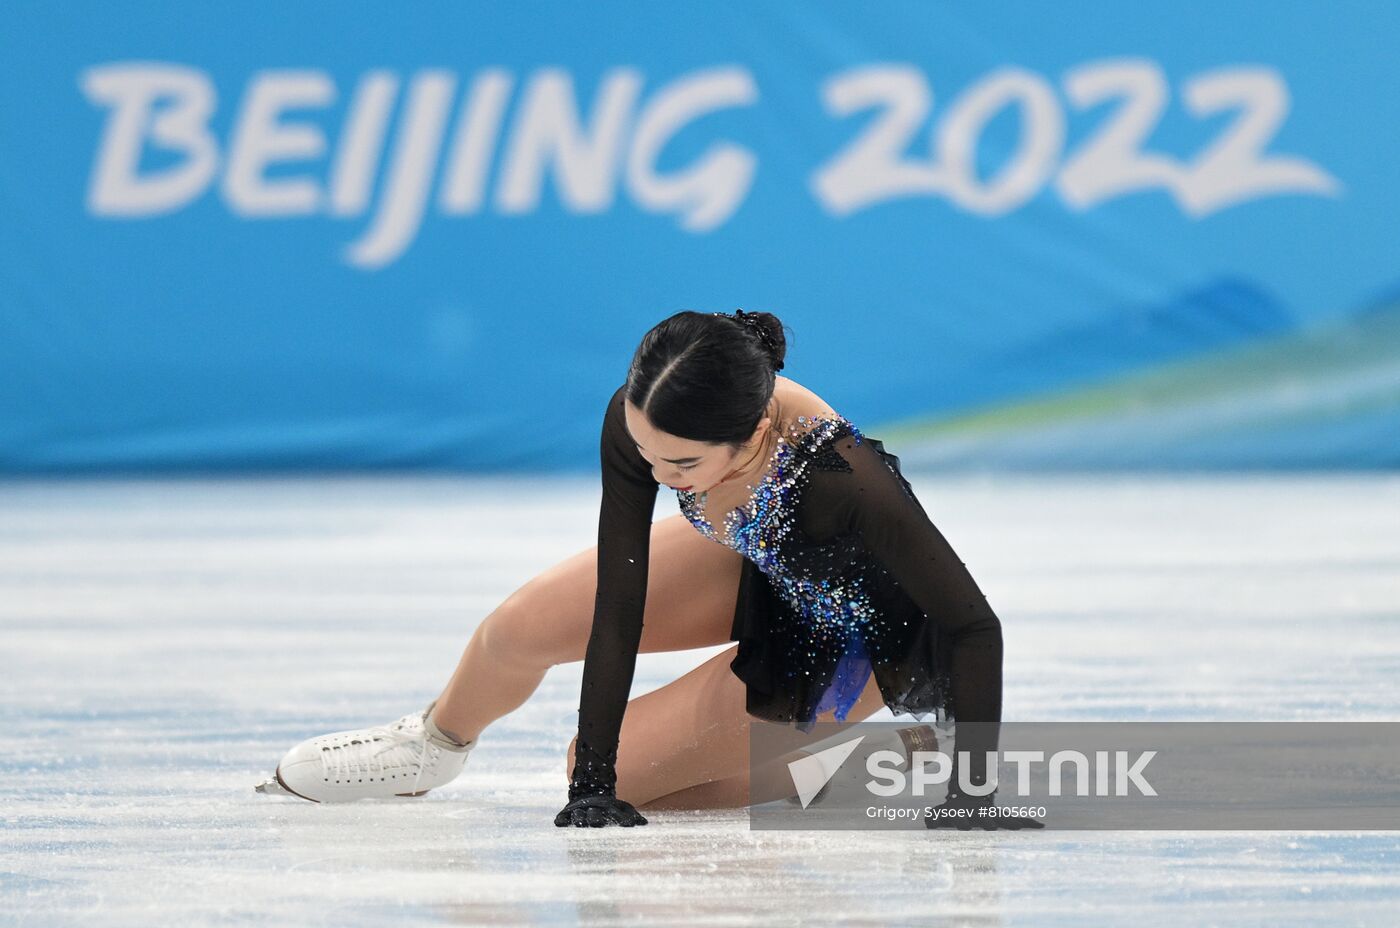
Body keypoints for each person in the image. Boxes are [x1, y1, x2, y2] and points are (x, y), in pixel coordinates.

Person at [255, 309, 1042, 831]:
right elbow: (619, 600)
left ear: (757, 433)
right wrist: (587, 784)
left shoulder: (847, 482)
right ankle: (432, 744)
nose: (657, 472)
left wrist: (974, 794)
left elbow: (970, 623)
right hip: (758, 558)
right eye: (645, 451)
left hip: (855, 636)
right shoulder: (653, 416)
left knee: (640, 786)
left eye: (682, 463)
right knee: (519, 630)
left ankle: (868, 764)